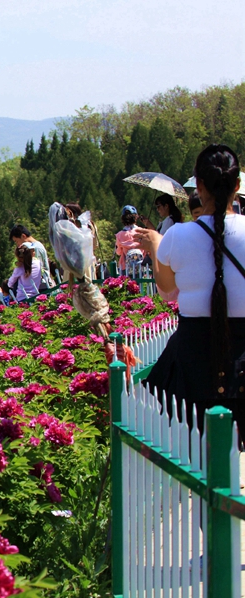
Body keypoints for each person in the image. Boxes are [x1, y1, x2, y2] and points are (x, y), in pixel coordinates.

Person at [134, 144, 245, 442]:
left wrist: (156, 245)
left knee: (194, 445)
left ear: (199, 185)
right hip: (241, 355)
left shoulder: (177, 235)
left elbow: (167, 291)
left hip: (193, 356)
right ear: (236, 185)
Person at [9, 225, 55, 289]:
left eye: (16, 241)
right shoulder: (33, 247)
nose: (17, 244)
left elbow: (37, 268)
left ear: (23, 236)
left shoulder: (35, 248)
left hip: (40, 285)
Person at [115, 206, 144, 275]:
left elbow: (118, 252)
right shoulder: (141, 232)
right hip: (140, 265)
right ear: (136, 217)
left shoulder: (120, 235)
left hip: (125, 267)